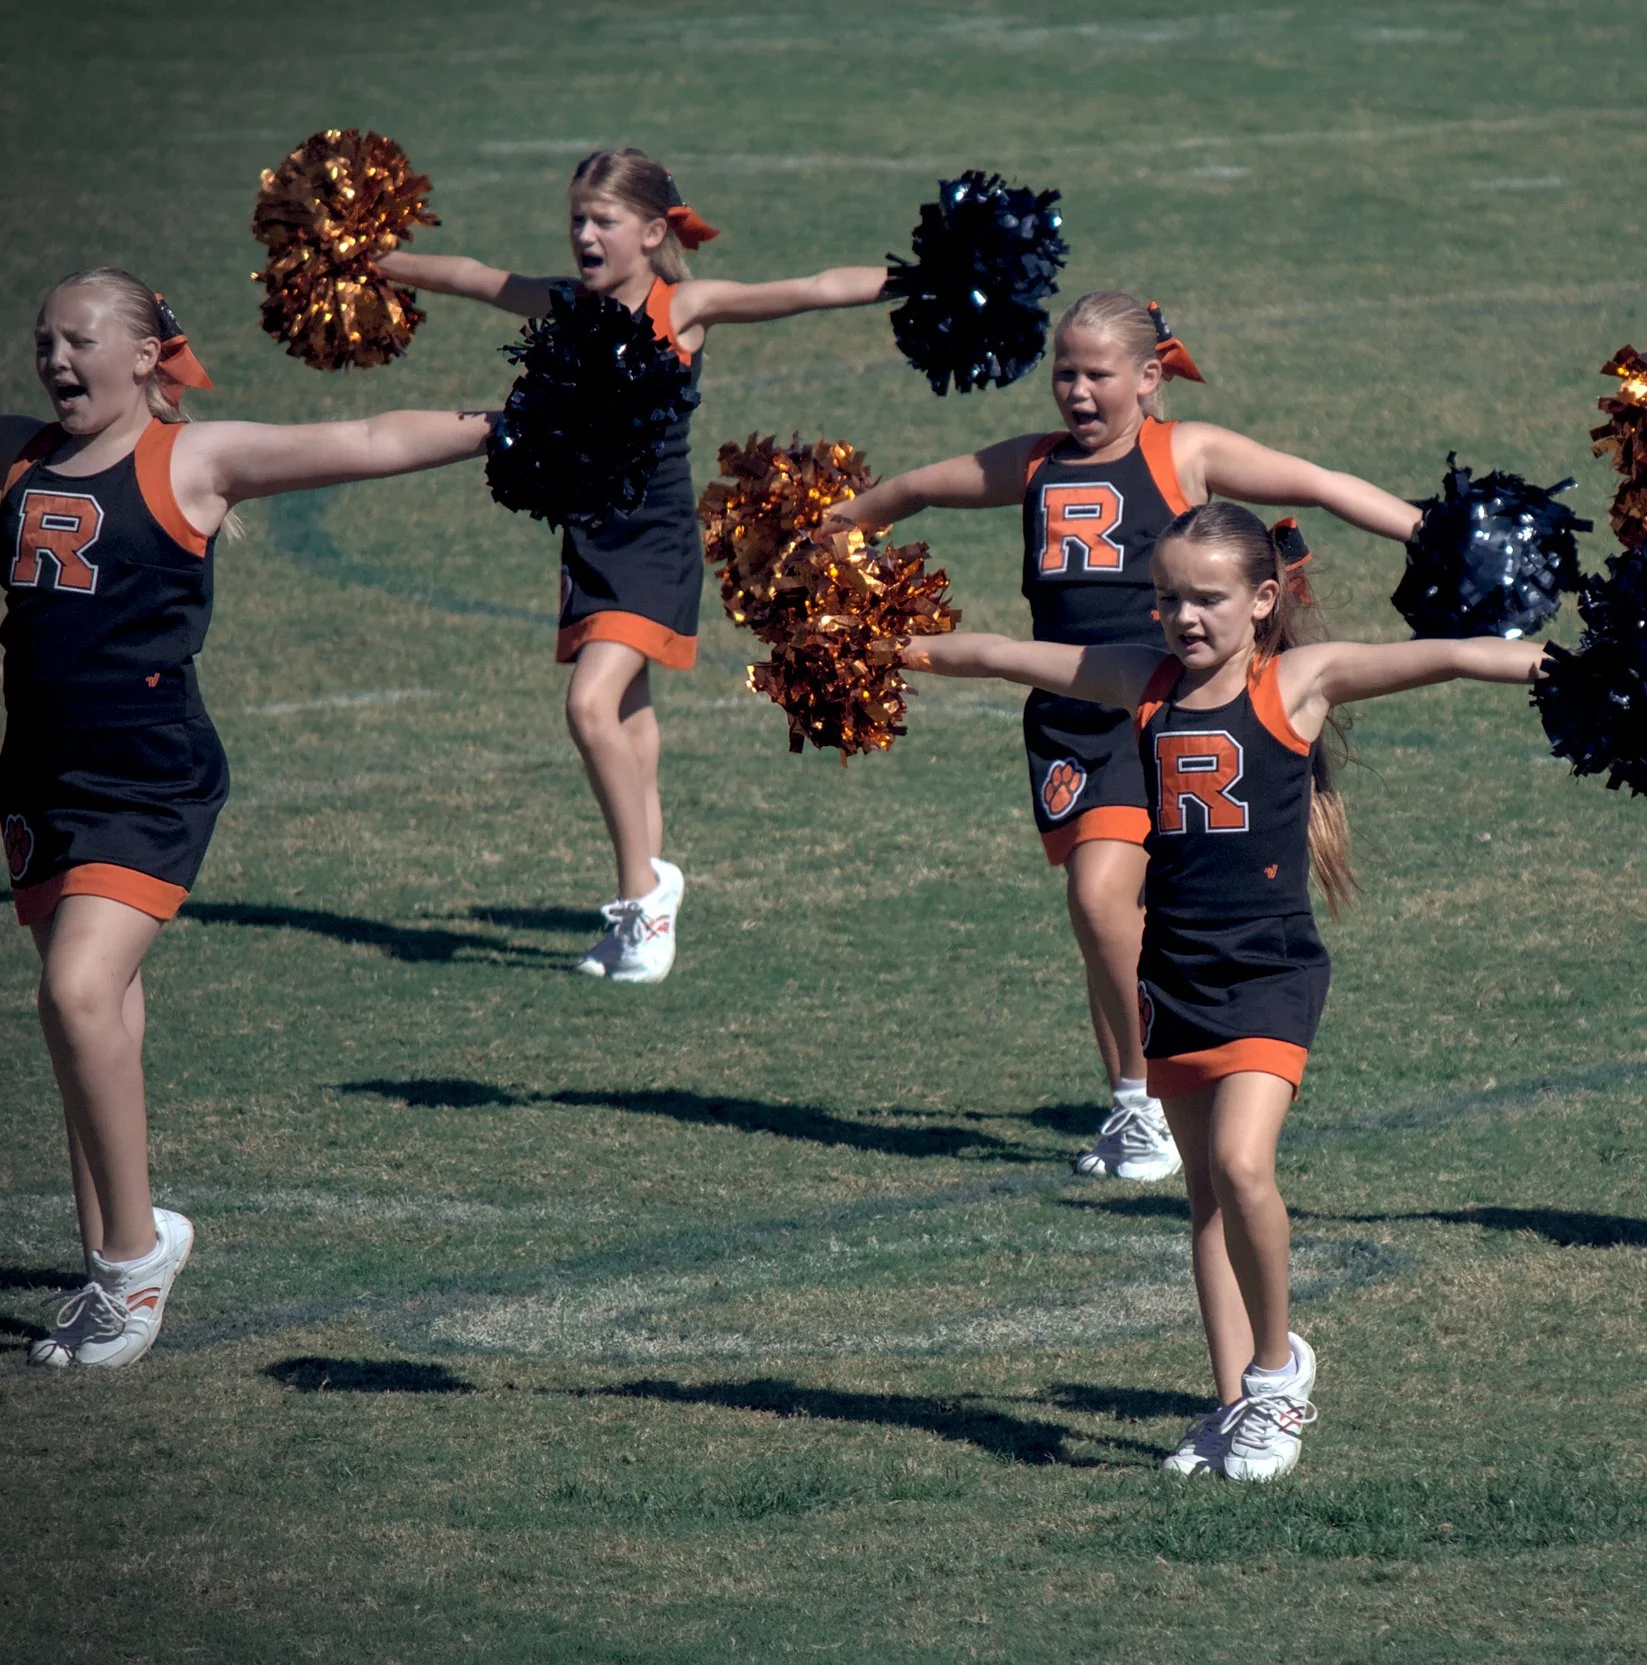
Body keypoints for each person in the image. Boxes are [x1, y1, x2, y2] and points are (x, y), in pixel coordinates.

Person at [901, 502, 1546, 1478]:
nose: (1184, 618)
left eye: (1207, 599)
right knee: (1204, 1199)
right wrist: (887, 646)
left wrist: (1572, 666)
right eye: (1166, 598)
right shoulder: (1141, 679)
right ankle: (1233, 1405)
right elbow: (1000, 652)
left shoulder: (1299, 681)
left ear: (1261, 600)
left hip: (1269, 967)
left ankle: (1279, 1380)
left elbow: (1452, 656)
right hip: (1176, 969)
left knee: (1245, 1169)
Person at [5, 267, 499, 1367]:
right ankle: (111, 1260)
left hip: (149, 776)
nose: (56, 359)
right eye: (44, 340)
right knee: (94, 1017)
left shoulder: (193, 459)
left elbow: (369, 438)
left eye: (80, 339)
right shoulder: (18, 458)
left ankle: (135, 1267)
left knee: (75, 992)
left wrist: (507, 424)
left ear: (145, 356)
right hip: (39, 779)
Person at [838, 292, 1424, 1181]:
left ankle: (1147, 1097)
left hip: (1162, 709)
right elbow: (917, 487)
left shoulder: (1181, 450)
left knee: (1103, 895)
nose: (1076, 392)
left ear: (1148, 378)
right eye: (1063, 373)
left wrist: (1427, 528)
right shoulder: (1034, 464)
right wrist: (833, 531)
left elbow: (1313, 481)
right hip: (1069, 719)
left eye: (1096, 374)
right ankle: (1134, 1098)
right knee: (1099, 910)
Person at [376, 148, 890, 982]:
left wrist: (915, 280)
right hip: (588, 541)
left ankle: (641, 900)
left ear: (652, 233)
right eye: (576, 219)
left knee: (589, 707)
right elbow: (473, 274)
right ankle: (648, 900)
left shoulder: (682, 306)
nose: (584, 233)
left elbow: (809, 289)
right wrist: (379, 261)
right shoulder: (563, 302)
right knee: (633, 725)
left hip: (653, 541)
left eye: (602, 220)